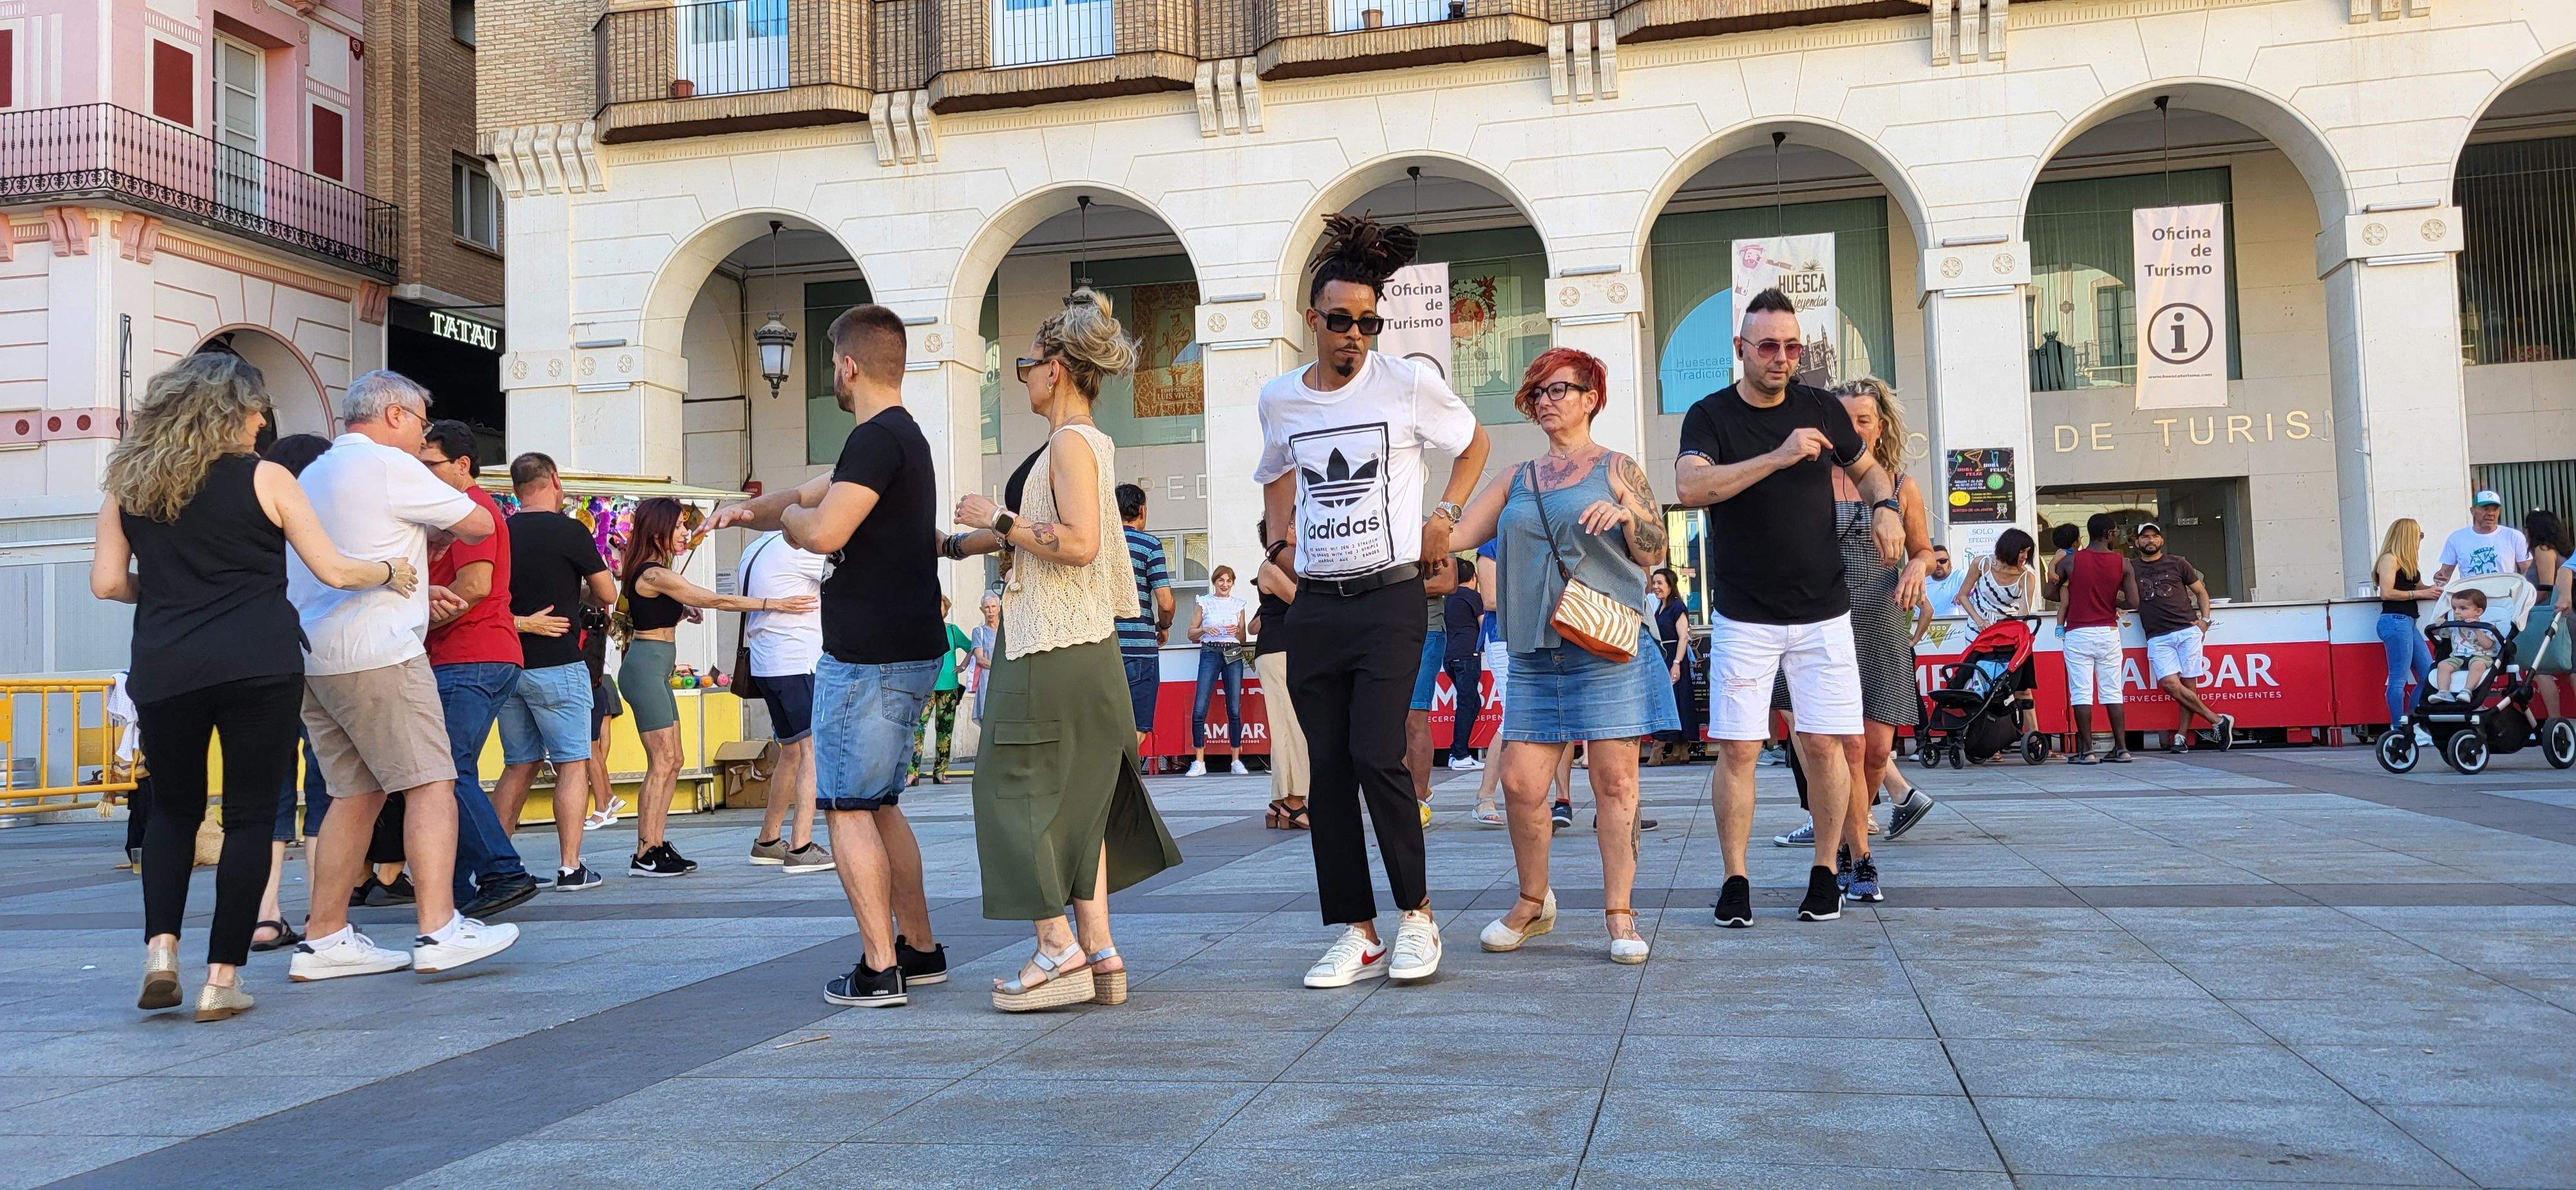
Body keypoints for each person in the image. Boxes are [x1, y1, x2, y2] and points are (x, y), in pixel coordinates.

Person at [93, 354, 417, 1019]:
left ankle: (160, 951)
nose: (261, 422)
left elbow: (107, 583)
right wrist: (389, 569)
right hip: (258, 662)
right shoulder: (267, 477)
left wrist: (168, 596)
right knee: (248, 817)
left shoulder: (128, 484)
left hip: (165, 664)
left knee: (175, 812)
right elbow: (330, 567)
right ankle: (221, 979)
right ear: (232, 413)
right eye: (255, 411)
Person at [1258, 213, 1490, 988]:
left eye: (1367, 322)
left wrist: (1446, 515)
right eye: (1339, 321)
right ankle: (1357, 932)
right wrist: (1279, 542)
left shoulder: (1408, 382)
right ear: (1311, 321)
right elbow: (1273, 472)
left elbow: (1476, 444)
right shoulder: (1280, 399)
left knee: (1374, 754)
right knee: (1326, 771)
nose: (1354, 335)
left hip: (1392, 597)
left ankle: (1416, 916)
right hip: (1316, 604)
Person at [708, 303, 954, 1007]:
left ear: (847, 365)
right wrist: (746, 510)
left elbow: (818, 527)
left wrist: (784, 522)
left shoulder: (876, 440)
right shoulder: (896, 439)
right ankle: (921, 948)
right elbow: (809, 494)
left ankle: (880, 968)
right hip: (905, 648)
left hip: (867, 655)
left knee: (847, 808)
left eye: (833, 368)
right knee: (879, 806)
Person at [945, 288, 1182, 1011]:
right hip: (1075, 642)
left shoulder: (1073, 444)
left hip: (1049, 641)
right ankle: (1100, 950)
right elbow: (1046, 534)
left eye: (1026, 363)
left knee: (1009, 790)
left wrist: (999, 516)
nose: (1021, 376)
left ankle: (1057, 951)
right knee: (1079, 802)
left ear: (1058, 369)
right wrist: (956, 541)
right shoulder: (1080, 444)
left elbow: (1076, 544)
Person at [1674, 288, 1901, 929]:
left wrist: (1883, 509)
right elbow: (1690, 487)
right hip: (1744, 614)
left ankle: (1826, 874)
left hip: (1823, 612)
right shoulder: (1710, 415)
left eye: (1792, 346)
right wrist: (1776, 457)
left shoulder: (1822, 408)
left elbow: (1871, 472)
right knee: (1739, 750)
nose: (1781, 358)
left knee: (1827, 746)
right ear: (1741, 349)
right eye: (1768, 346)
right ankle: (1735, 880)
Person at [281, 369, 518, 982]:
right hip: (382, 651)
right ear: (392, 417)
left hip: (317, 655)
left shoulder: (314, 473)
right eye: (419, 422)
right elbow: (480, 523)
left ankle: (324, 937)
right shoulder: (390, 467)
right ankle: (439, 929)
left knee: (353, 795)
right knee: (433, 782)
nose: (422, 436)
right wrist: (430, 530)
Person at [1450, 347, 1676, 964]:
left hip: (1605, 645)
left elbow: (1653, 550)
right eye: (1540, 393)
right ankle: (1533, 902)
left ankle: (1620, 915)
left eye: (1561, 390)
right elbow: (1458, 536)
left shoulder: (1618, 466)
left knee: (1615, 782)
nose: (1548, 401)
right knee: (1522, 783)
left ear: (1590, 397)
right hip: (1533, 648)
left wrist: (1629, 512)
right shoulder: (1516, 478)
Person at [617, 496, 816, 876]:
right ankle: (645, 851)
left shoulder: (657, 573)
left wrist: (681, 610)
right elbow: (715, 599)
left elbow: (686, 604)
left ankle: (657, 843)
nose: (683, 534)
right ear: (657, 529)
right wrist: (773, 603)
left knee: (673, 760)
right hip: (644, 668)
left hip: (656, 666)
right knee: (662, 762)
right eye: (676, 527)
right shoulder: (653, 572)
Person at [415, 419, 542, 921]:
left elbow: (474, 585)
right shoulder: (460, 512)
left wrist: (411, 621)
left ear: (463, 465)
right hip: (482, 654)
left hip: (469, 655)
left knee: (447, 772)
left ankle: (500, 870)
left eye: (430, 464)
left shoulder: (471, 511)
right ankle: (458, 888)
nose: (421, 472)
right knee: (449, 771)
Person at [1823, 378, 1936, 897]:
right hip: (1823, 620)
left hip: (1882, 617)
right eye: (1843, 420)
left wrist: (1918, 567)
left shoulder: (1899, 484)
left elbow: (1925, 550)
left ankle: (1851, 837)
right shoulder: (1811, 481)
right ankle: (1858, 854)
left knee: (1876, 750)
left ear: (1880, 426)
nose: (1852, 429)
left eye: (1862, 420)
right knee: (1843, 746)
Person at [485, 451, 616, 892]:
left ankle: (497, 865)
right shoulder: (570, 530)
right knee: (573, 763)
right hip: (559, 663)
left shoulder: (500, 530)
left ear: (515, 489)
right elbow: (607, 591)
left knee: (518, 765)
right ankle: (570, 866)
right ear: (554, 481)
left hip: (509, 663)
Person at [249, 432, 336, 955]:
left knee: (269, 789)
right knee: (328, 784)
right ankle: (323, 914)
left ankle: (264, 915)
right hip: (324, 662)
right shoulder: (323, 524)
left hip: (263, 663)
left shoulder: (255, 524)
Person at [737, 527, 833, 871]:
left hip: (765, 664)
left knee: (790, 752)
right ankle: (802, 845)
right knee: (813, 751)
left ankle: (768, 840)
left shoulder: (756, 546)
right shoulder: (804, 548)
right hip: (797, 659)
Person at [2132, 522, 2235, 752]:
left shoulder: (2178, 562)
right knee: (2170, 683)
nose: (2150, 540)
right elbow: (2119, 594)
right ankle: (2218, 720)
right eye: (2145, 537)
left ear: (2162, 540)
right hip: (2157, 636)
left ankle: (2181, 736)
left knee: (2189, 685)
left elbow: (2201, 592)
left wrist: (2205, 621)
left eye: (2155, 536)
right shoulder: (2130, 567)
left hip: (2187, 630)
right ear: (2137, 542)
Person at [2045, 513, 2139, 764]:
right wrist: (2110, 601)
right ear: (2109, 534)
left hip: (2078, 633)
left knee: (2081, 692)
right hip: (2108, 633)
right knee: (2112, 691)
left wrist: (2075, 596)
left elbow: (2051, 592)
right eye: (2116, 531)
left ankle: (2086, 751)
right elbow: (2133, 602)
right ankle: (2122, 749)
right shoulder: (2123, 563)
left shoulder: (2071, 561)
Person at [1251, 521, 1308, 828]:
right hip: (1278, 652)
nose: (1298, 528)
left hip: (1287, 650)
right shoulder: (1272, 567)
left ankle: (1278, 803)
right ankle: (1294, 800)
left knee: (1291, 724)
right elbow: (1302, 601)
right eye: (1291, 524)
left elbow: (1258, 621)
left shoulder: (1289, 566)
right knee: (1289, 724)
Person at [1116, 484, 1175, 753]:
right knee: (1138, 726)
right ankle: (1119, 782)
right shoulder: (1150, 545)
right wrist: (1164, 626)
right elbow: (1165, 601)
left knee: (1103, 724)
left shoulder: (1096, 545)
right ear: (1142, 511)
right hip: (1140, 647)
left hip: (1102, 646)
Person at [2374, 518, 2441, 729]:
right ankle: (2399, 725)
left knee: (2428, 674)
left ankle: (2411, 722)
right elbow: (2387, 592)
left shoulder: (2408, 562)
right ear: (2407, 536)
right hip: (2395, 620)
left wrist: (2437, 589)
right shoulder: (2389, 559)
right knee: (2398, 678)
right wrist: (2422, 592)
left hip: (2407, 622)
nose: (2420, 540)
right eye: (2419, 535)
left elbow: (2422, 588)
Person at [1188, 566, 1251, 775]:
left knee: (1234, 708)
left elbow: (1242, 639)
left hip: (1233, 652)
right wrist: (1204, 629)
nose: (1225, 584)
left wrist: (1238, 631)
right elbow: (1191, 633)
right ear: (1215, 582)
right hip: (1210, 651)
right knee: (1200, 707)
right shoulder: (1204, 602)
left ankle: (1236, 760)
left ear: (1233, 583)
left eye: (1229, 581)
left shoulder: (1238, 605)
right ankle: (1199, 761)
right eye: (1221, 580)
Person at [909, 596, 976, 785]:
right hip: (926, 686)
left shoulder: (953, 631)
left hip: (949, 686)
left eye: (940, 606)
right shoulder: (922, 630)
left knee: (945, 731)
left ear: (945, 609)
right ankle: (913, 772)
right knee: (918, 729)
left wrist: (962, 666)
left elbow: (972, 647)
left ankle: (940, 772)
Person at [2523, 510, 2569, 722]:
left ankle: (2555, 721)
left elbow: (2546, 586)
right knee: (2572, 666)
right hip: (2567, 612)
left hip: (2551, 615)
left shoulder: (2543, 550)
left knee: (2540, 667)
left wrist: (2523, 604)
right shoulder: (2562, 551)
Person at [1443, 556, 1488, 770]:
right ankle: (1459, 754)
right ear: (1474, 577)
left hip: (1450, 657)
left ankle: (1459, 752)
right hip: (1468, 656)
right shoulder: (1472, 596)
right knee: (1467, 703)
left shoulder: (1448, 598)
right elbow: (1483, 624)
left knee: (1472, 702)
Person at [2430, 490, 2530, 585]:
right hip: (2471, 601)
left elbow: (2528, 571)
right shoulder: (2457, 538)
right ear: (2472, 511)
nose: (2491, 514)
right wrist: (2439, 578)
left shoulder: (2514, 536)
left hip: (2505, 599)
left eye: (2495, 510)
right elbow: (2444, 575)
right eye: (2485, 509)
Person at [1647, 567, 1693, 766]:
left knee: (1675, 701)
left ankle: (1661, 750)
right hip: (1663, 657)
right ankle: (1679, 750)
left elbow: (1683, 636)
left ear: (1670, 586)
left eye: (1660, 583)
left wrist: (1676, 663)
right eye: (1654, 583)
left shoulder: (1677, 607)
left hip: (1674, 658)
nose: (1656, 587)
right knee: (1672, 700)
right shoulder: (1659, 608)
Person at [2429, 589, 2499, 700]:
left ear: (2478, 612)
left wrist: (2476, 630)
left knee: (2478, 666)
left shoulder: (2486, 626)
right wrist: (2440, 625)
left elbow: (2488, 645)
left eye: (2462, 608)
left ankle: (2467, 691)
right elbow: (2440, 634)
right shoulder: (2454, 626)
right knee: (2442, 666)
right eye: (2454, 608)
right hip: (2457, 656)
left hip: (2481, 656)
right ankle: (2443, 692)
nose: (2456, 612)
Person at [969, 592, 1001, 721]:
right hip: (987, 681)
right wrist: (999, 669)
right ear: (982, 610)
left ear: (999, 608)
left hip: (1005, 680)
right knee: (988, 718)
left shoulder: (1006, 630)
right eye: (987, 607)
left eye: (993, 606)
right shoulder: (979, 632)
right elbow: (980, 659)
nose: (991, 610)